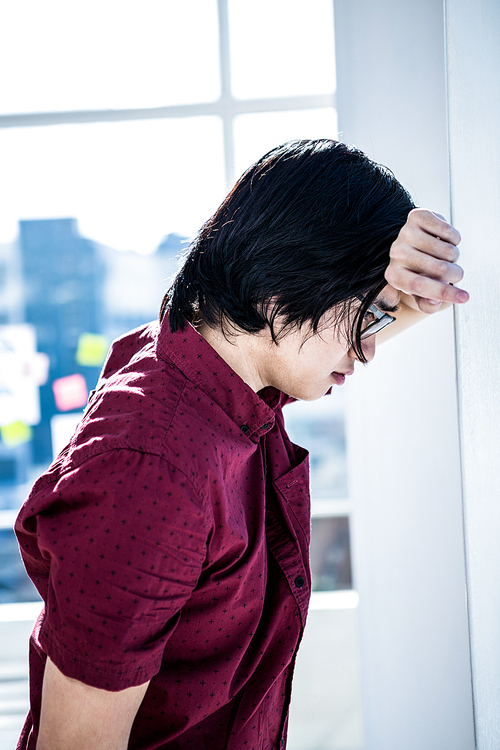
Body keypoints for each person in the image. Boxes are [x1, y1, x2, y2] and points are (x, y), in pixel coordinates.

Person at [15, 139, 468, 750]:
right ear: (288, 281)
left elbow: (328, 339)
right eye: (370, 313)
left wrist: (409, 279)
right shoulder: (151, 468)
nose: (367, 348)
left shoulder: (214, 383)